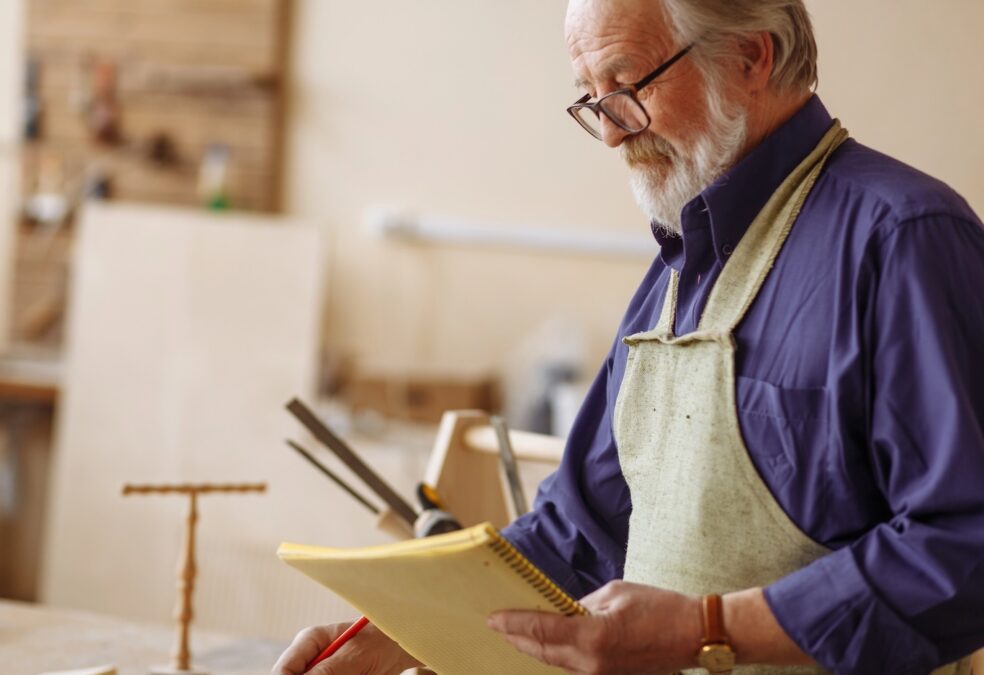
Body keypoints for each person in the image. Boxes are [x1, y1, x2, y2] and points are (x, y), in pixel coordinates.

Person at [274, 0, 984, 672]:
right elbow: (579, 534)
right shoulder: (675, 272)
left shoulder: (902, 240)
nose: (611, 129)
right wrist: (398, 633)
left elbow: (964, 547)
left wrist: (705, 629)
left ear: (749, 57)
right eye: (591, 97)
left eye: (627, 85)